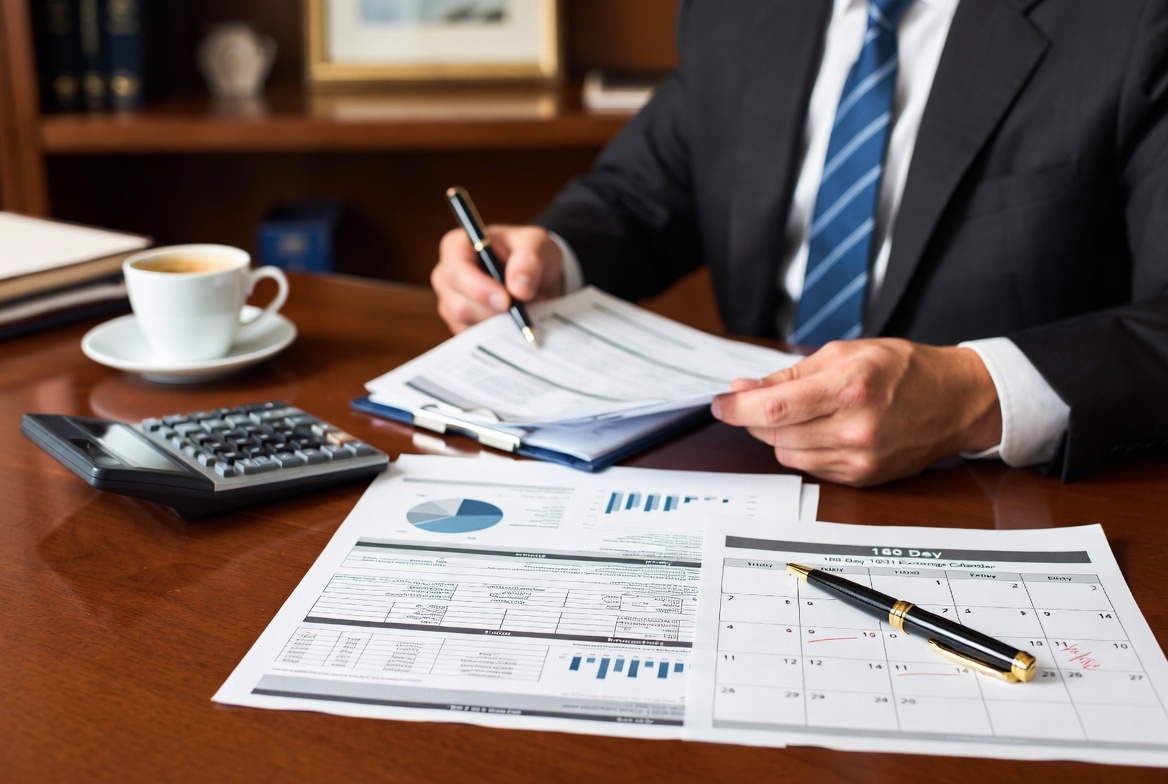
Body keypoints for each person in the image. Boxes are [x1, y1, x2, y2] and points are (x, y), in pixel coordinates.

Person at [432, 0, 1168, 486]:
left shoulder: (1134, 24)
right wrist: (548, 256)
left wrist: (971, 395)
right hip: (748, 462)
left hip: (997, 493)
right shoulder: (740, 13)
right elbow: (644, 193)